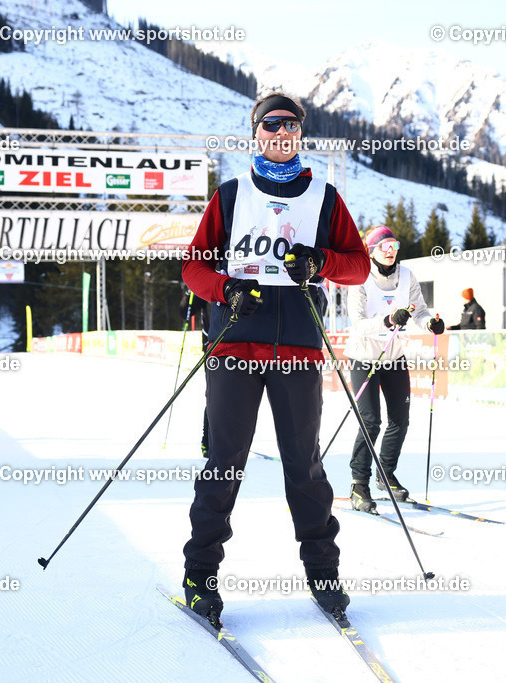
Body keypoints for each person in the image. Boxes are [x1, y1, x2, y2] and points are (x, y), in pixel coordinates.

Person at [180, 91, 370, 624]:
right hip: (236, 344)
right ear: (257, 134)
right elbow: (193, 267)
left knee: (305, 469)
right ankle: (200, 578)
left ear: (300, 136)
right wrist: (225, 290)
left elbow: (357, 267)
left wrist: (320, 260)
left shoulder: (324, 197)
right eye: (272, 126)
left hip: (298, 348)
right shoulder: (231, 194)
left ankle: (325, 577)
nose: (281, 135)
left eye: (291, 128)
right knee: (223, 467)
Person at [344, 226, 444, 512]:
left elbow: (420, 310)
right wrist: (388, 320)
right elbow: (358, 322)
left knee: (401, 419)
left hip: (394, 355)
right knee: (371, 421)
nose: (390, 250)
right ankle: (359, 483)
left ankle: (385, 474)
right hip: (364, 357)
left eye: (393, 244)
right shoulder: (360, 278)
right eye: (383, 246)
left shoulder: (407, 276)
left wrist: (430, 323)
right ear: (371, 251)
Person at [178, 288, 210, 457]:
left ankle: (234, 440)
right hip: (214, 349)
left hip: (244, 345)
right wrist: (188, 294)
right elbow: (185, 313)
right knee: (215, 396)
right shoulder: (209, 278)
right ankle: (208, 442)